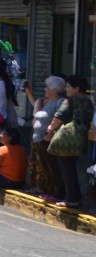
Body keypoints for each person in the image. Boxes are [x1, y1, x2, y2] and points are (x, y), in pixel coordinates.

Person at [44, 75, 94, 209]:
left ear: (76, 88)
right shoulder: (88, 101)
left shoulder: (71, 100)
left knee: (66, 170)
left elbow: (59, 116)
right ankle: (75, 198)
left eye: (68, 86)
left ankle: (71, 199)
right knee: (71, 168)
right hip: (81, 139)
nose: (65, 89)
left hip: (67, 139)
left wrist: (50, 129)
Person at [25, 76, 66, 199]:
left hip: (47, 141)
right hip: (39, 140)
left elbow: (62, 120)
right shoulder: (45, 101)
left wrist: (51, 134)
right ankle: (49, 190)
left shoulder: (60, 102)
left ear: (54, 89)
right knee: (45, 167)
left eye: (47, 87)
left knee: (51, 167)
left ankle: (56, 192)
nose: (45, 89)